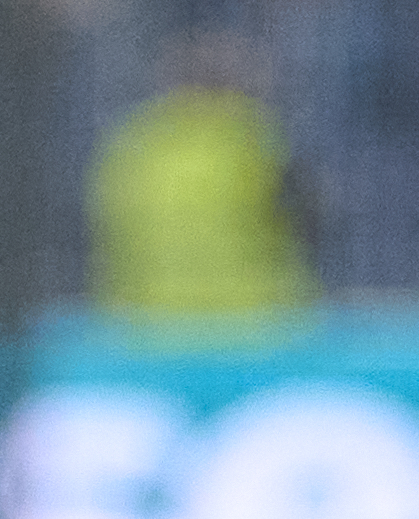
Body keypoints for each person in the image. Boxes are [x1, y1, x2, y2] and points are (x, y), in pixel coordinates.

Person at [91, 47, 313, 325]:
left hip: (150, 327)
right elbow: (305, 223)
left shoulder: (131, 145)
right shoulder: (255, 140)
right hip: (253, 326)